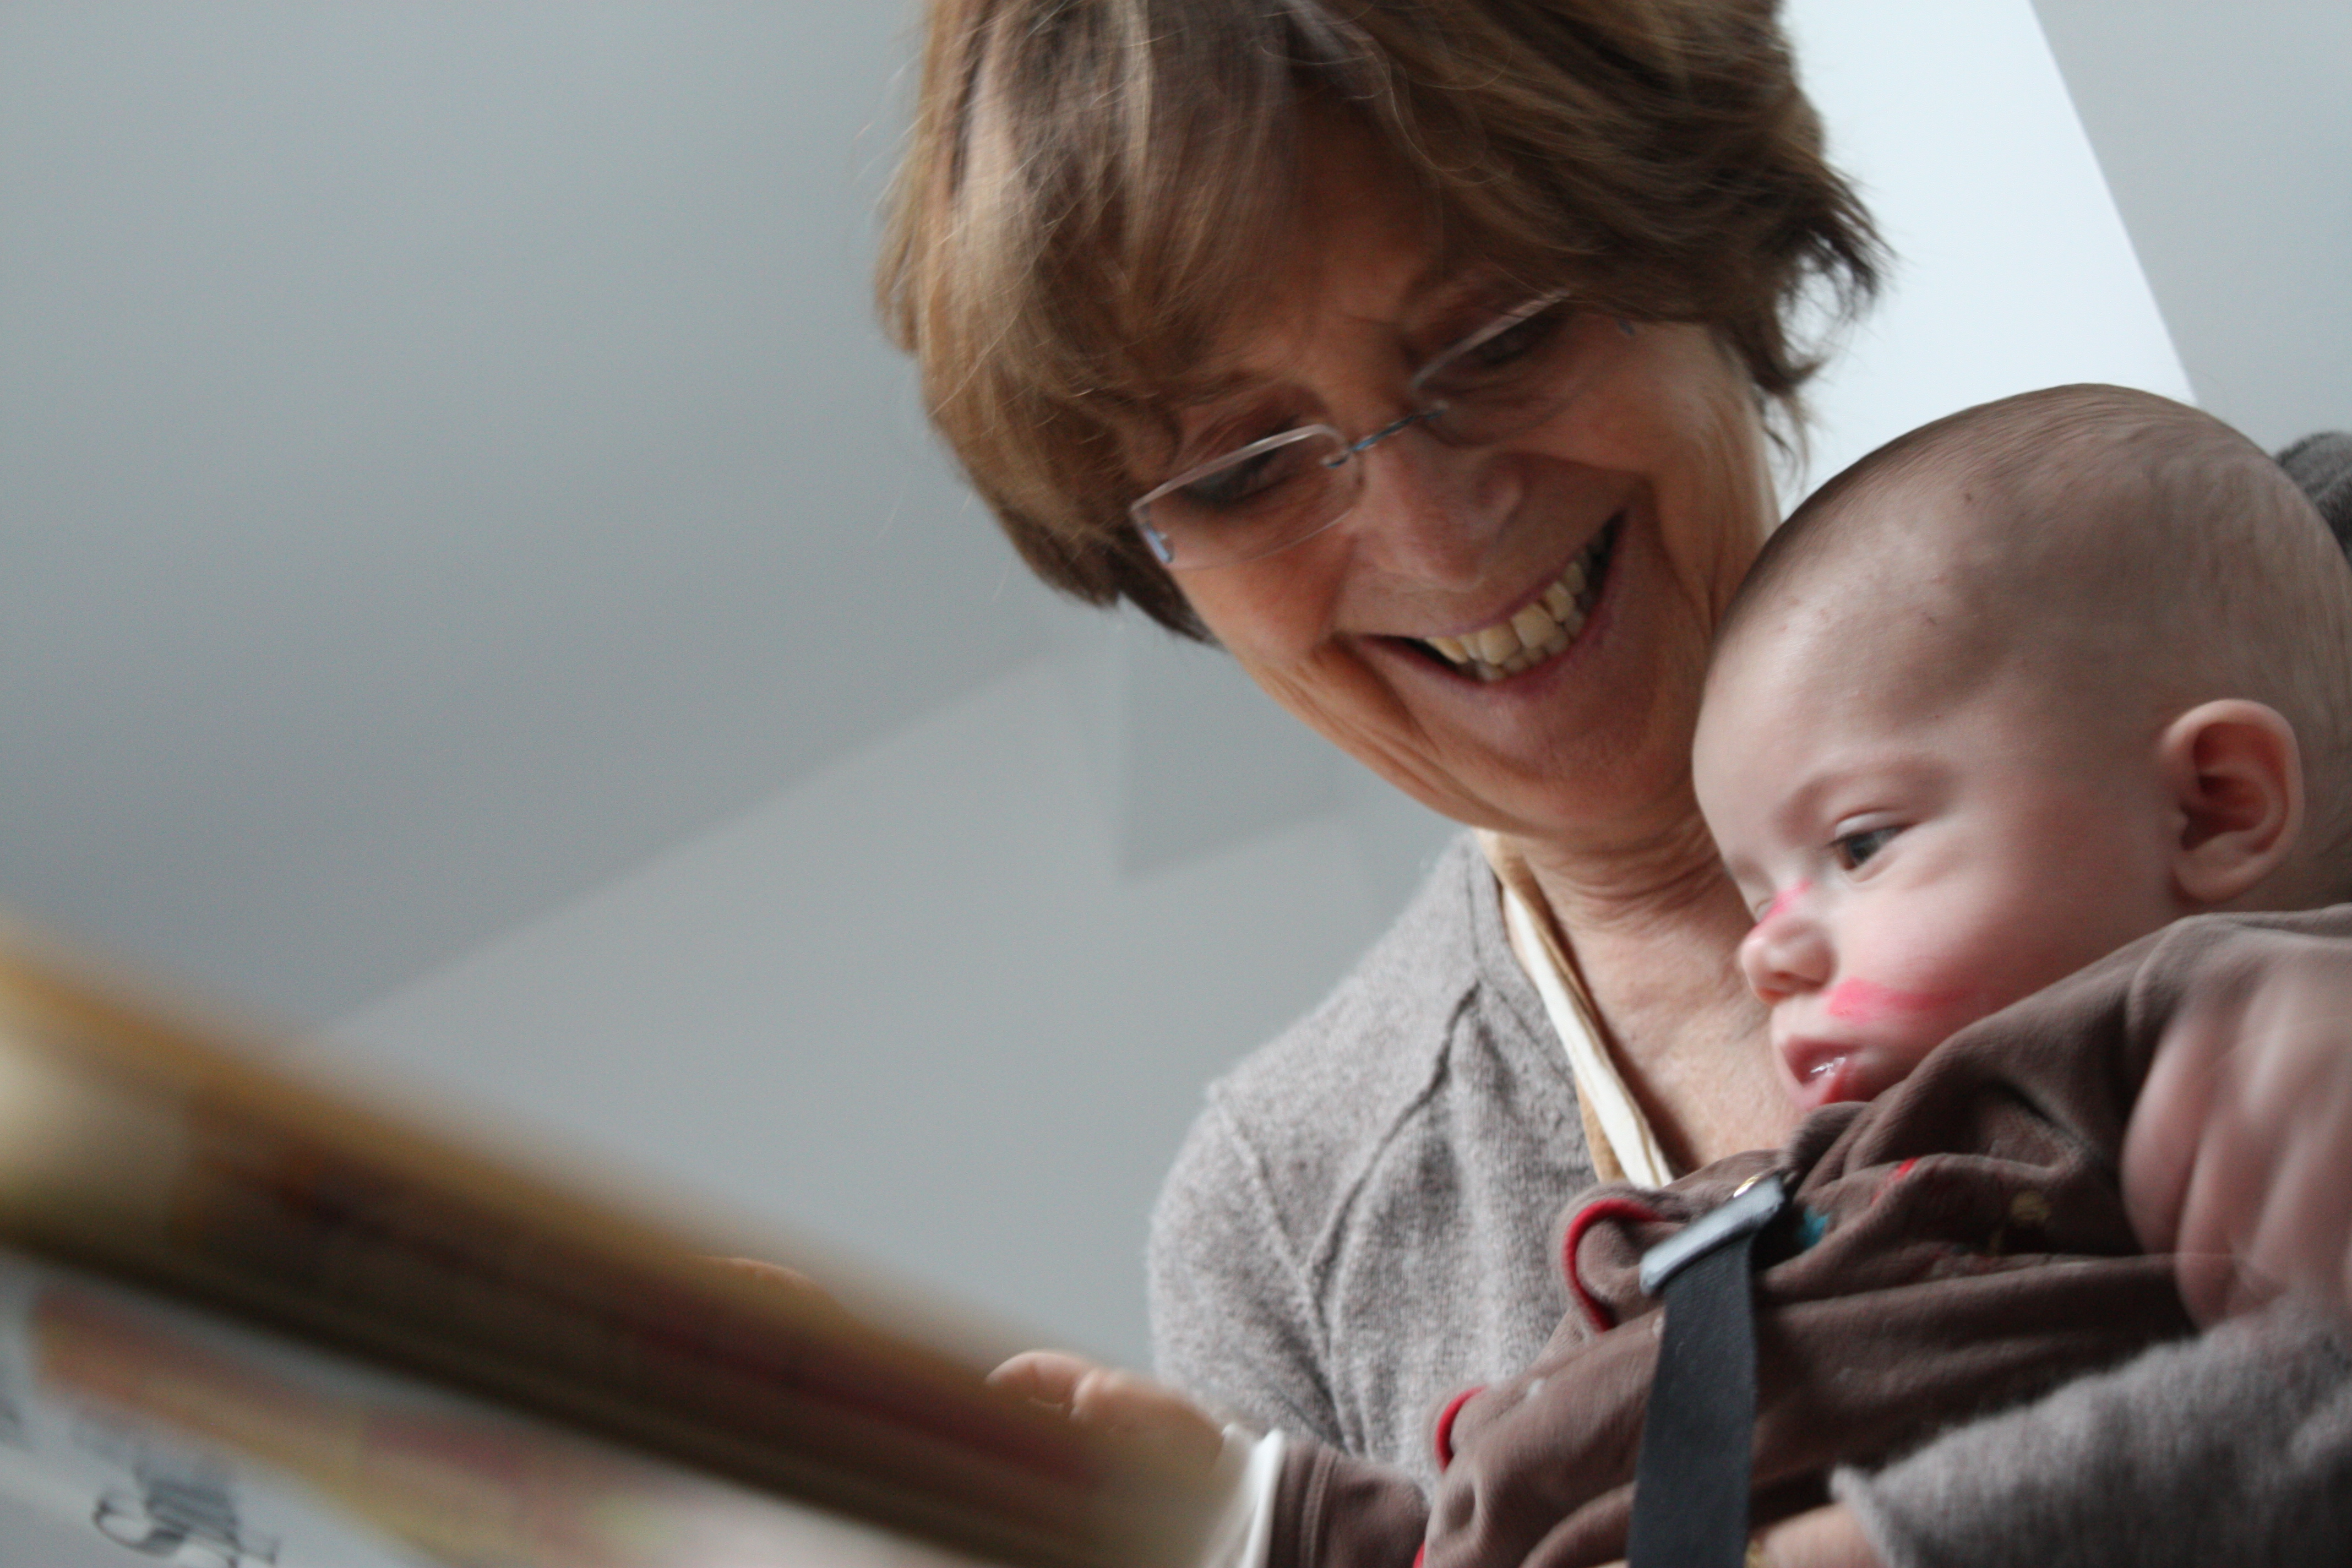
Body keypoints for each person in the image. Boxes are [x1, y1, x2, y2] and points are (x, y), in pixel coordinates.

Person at [877, 2, 2352, 1561]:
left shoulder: (2293, 617)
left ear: (1714, 248)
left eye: (1505, 335)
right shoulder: (1280, 1222)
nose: (1439, 538)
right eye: (1242, 466)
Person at [1008, 386, 2352, 1567]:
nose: (1767, 946)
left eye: (1861, 845)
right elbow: (1568, 1464)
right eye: (1245, 468)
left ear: (2214, 805)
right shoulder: (1837, 1162)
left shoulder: (2197, 1014)